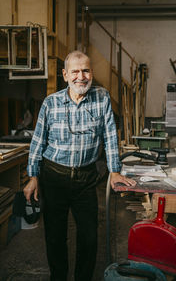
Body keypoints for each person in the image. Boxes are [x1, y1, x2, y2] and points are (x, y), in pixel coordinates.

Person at [23, 50, 136, 281]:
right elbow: (38, 142)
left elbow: (110, 137)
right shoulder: (51, 103)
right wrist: (33, 176)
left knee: (89, 237)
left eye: (85, 70)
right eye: (75, 71)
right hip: (54, 176)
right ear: (65, 75)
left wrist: (114, 171)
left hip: (86, 179)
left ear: (91, 72)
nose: (81, 76)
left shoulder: (102, 98)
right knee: (55, 236)